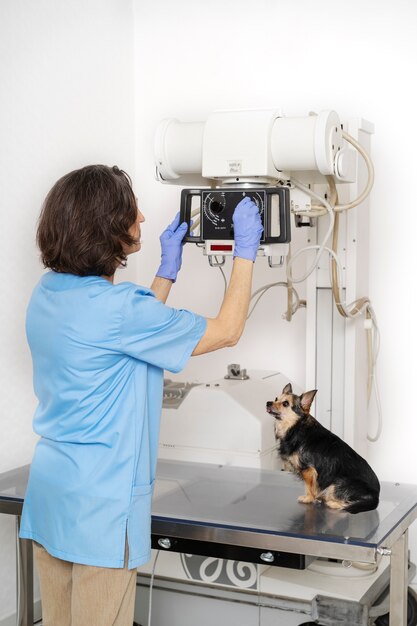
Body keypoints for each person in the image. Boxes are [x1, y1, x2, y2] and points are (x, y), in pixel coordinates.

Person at [19, 164, 263, 626]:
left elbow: (126, 333)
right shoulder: (120, 310)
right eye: (133, 212)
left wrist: (166, 271)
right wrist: (243, 250)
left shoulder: (47, 293)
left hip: (52, 498)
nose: (144, 219)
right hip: (102, 512)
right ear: (108, 226)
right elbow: (227, 331)